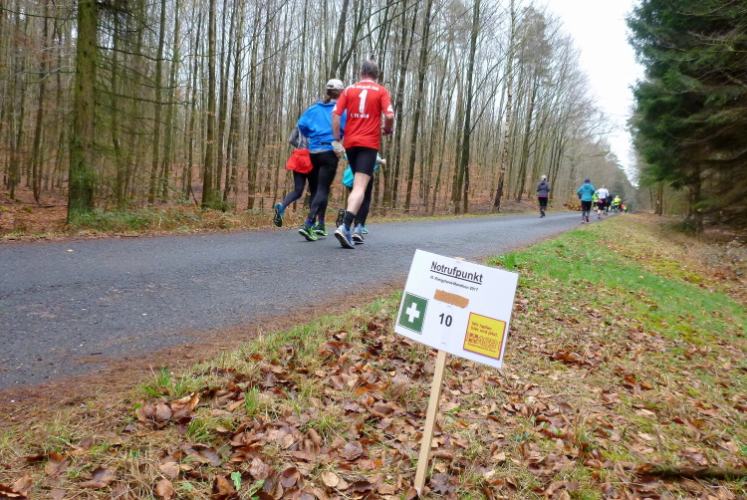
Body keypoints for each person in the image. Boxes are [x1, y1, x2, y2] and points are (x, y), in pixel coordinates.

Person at [331, 60, 394, 249]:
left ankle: (352, 226)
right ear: (377, 75)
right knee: (360, 186)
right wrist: (387, 129)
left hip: (351, 143)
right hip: (369, 144)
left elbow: (335, 115)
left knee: (358, 185)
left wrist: (337, 141)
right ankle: (346, 226)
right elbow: (389, 115)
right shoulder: (381, 91)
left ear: (361, 73)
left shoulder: (349, 90)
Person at [296, 79, 347, 241]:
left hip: (313, 151)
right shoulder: (341, 110)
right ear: (341, 92)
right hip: (329, 151)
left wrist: (312, 134)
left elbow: (301, 125)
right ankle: (309, 223)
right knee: (323, 189)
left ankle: (321, 224)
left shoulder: (314, 109)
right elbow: (346, 128)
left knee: (317, 190)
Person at [273, 126, 313, 227]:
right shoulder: (320, 124)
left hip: (298, 156)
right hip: (311, 157)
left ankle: (282, 208)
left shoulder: (301, 123)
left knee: (298, 191)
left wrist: (300, 146)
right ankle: (312, 222)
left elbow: (291, 140)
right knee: (316, 192)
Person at [339, 155, 385, 241]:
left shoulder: (350, 147)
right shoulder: (369, 147)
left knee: (354, 198)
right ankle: (358, 227)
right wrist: (381, 161)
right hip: (364, 174)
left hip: (351, 174)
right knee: (364, 200)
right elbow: (374, 157)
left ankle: (345, 221)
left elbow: (344, 154)